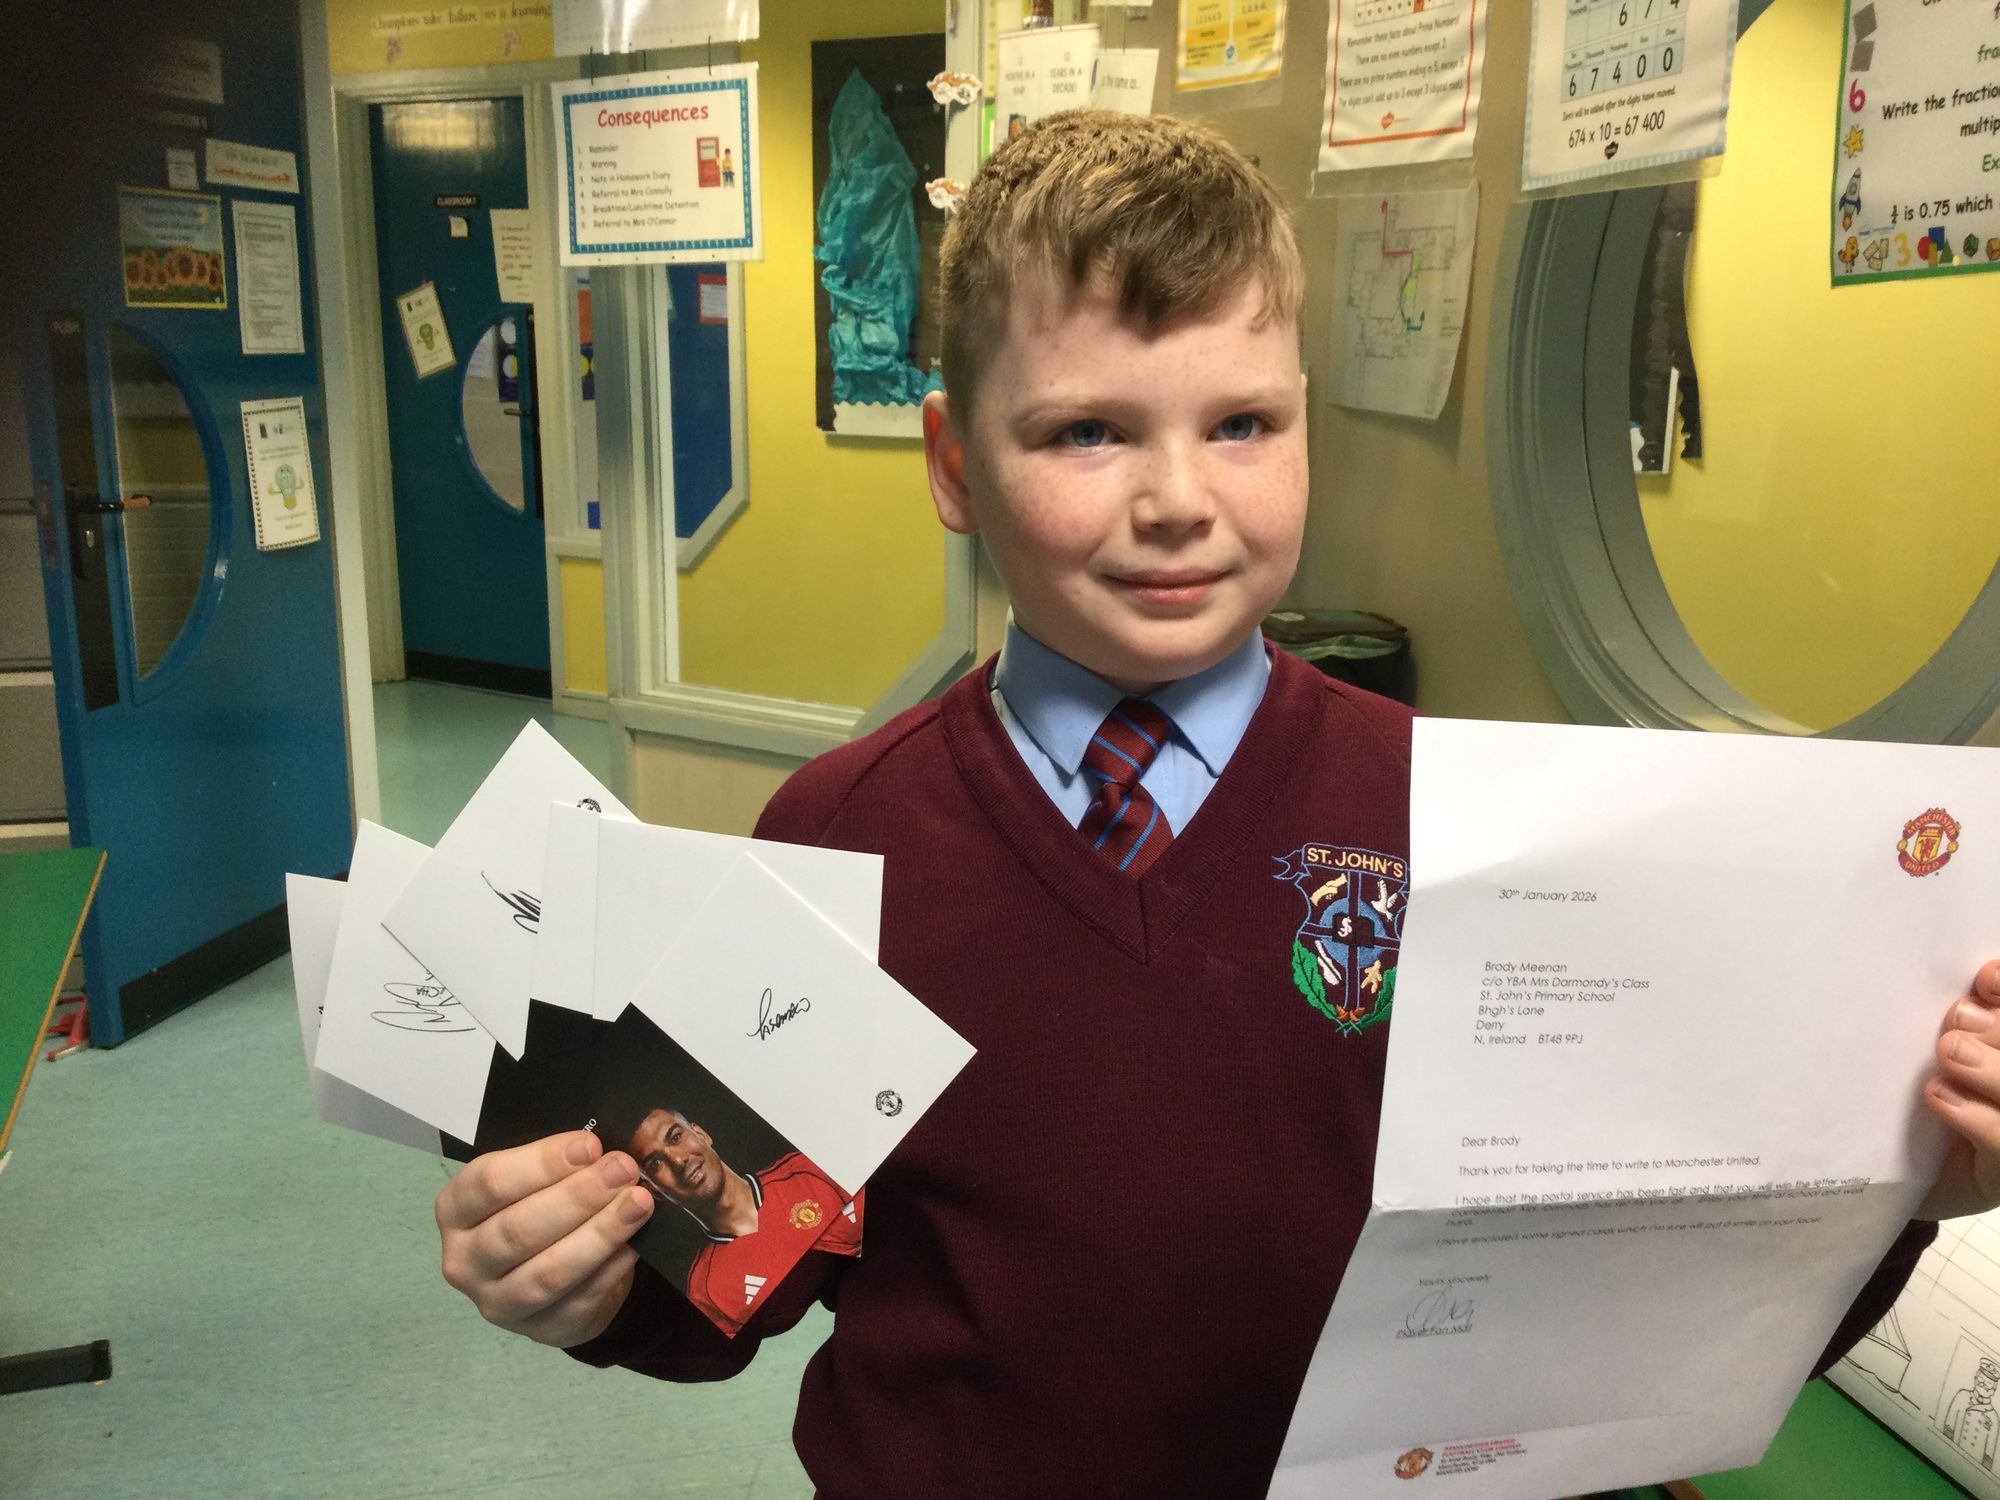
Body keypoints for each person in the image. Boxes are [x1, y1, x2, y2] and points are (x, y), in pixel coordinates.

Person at [434, 111, 2000, 1494]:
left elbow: (1645, 1281)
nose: (1180, 499)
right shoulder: (834, 842)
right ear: (955, 463)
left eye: (1243, 422)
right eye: (1086, 431)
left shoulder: (1479, 827)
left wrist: (1908, 1175)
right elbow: (740, 1280)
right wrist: (591, 1282)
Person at [625, 1107, 861, 1337]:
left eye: (676, 1137)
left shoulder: (808, 1170)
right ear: (653, 1189)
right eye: (655, 1163)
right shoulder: (705, 1288)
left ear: (701, 1134)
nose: (678, 1160)